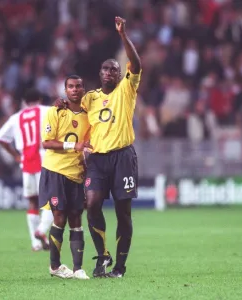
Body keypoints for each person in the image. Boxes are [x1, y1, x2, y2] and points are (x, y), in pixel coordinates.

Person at [82, 16, 142, 278]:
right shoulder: (89, 99)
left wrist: (123, 36)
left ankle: (120, 266)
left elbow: (137, 63)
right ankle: (103, 255)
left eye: (113, 69)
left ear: (120, 74)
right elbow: (75, 119)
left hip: (123, 157)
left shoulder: (127, 89)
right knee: (92, 204)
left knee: (123, 212)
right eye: (105, 69)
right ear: (100, 74)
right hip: (97, 160)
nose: (109, 72)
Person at [39, 75, 91, 279]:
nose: (75, 89)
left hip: (76, 173)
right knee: (59, 216)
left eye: (78, 86)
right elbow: (47, 143)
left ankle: (78, 268)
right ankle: (55, 266)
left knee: (76, 218)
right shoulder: (56, 111)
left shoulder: (89, 115)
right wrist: (73, 146)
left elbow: (87, 145)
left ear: (83, 89)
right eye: (71, 86)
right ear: (65, 89)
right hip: (55, 171)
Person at [0, 88, 53, 252]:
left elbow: (0, 138)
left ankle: (35, 244)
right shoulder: (47, 111)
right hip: (44, 159)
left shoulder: (16, 117)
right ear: (40, 99)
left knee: (33, 201)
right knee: (50, 200)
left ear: (25, 102)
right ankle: (41, 230)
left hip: (26, 161)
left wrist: (15, 156)